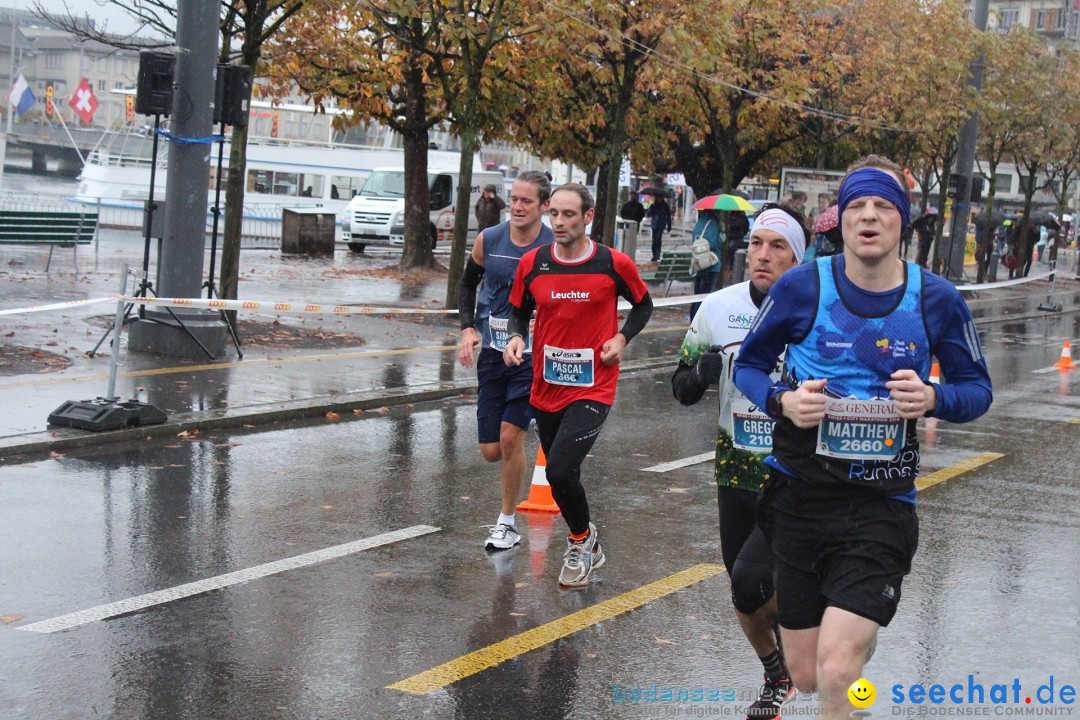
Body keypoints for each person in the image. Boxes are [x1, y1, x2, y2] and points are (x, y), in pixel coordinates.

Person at [733, 155, 992, 720]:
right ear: (841, 220)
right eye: (857, 207)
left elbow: (978, 390)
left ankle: (847, 679)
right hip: (799, 498)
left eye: (883, 207)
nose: (869, 217)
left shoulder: (936, 298)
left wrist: (932, 398)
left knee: (837, 668)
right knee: (807, 675)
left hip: (881, 503)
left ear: (902, 221)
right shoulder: (803, 287)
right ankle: (852, 698)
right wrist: (783, 400)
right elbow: (747, 368)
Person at [672, 202, 806, 720]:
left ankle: (805, 644)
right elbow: (681, 388)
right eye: (756, 244)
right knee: (743, 589)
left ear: (798, 258)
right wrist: (702, 372)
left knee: (753, 579)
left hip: (794, 473)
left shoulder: (813, 311)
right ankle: (780, 670)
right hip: (735, 469)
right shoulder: (717, 308)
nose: (763, 256)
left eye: (778, 247)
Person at [503, 183, 653, 587]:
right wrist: (516, 337)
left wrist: (621, 339)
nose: (561, 222)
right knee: (561, 477)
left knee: (561, 469)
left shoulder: (612, 263)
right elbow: (518, 312)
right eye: (555, 214)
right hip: (546, 386)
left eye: (570, 215)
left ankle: (580, 542)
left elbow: (644, 304)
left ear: (588, 217)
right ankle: (589, 541)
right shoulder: (533, 264)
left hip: (594, 385)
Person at [458, 170, 554, 550]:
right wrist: (467, 328)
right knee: (490, 451)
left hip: (533, 358)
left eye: (526, 201)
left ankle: (507, 522)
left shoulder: (554, 246)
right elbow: (467, 284)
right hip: (494, 354)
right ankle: (516, 438)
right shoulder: (489, 240)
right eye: (513, 199)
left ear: (544, 207)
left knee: (510, 436)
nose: (516, 206)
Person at [689, 209, 723, 318]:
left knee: (697, 295)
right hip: (710, 265)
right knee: (704, 296)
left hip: (699, 263)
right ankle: (699, 321)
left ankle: (693, 319)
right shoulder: (712, 223)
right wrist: (721, 238)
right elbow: (712, 243)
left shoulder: (700, 222)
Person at [647, 197, 672, 262]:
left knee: (658, 239)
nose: (659, 199)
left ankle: (657, 254)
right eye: (658, 198)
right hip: (654, 225)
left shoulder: (665, 206)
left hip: (661, 225)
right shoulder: (653, 205)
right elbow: (648, 214)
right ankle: (654, 254)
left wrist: (669, 225)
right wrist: (651, 208)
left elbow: (668, 216)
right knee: (654, 240)